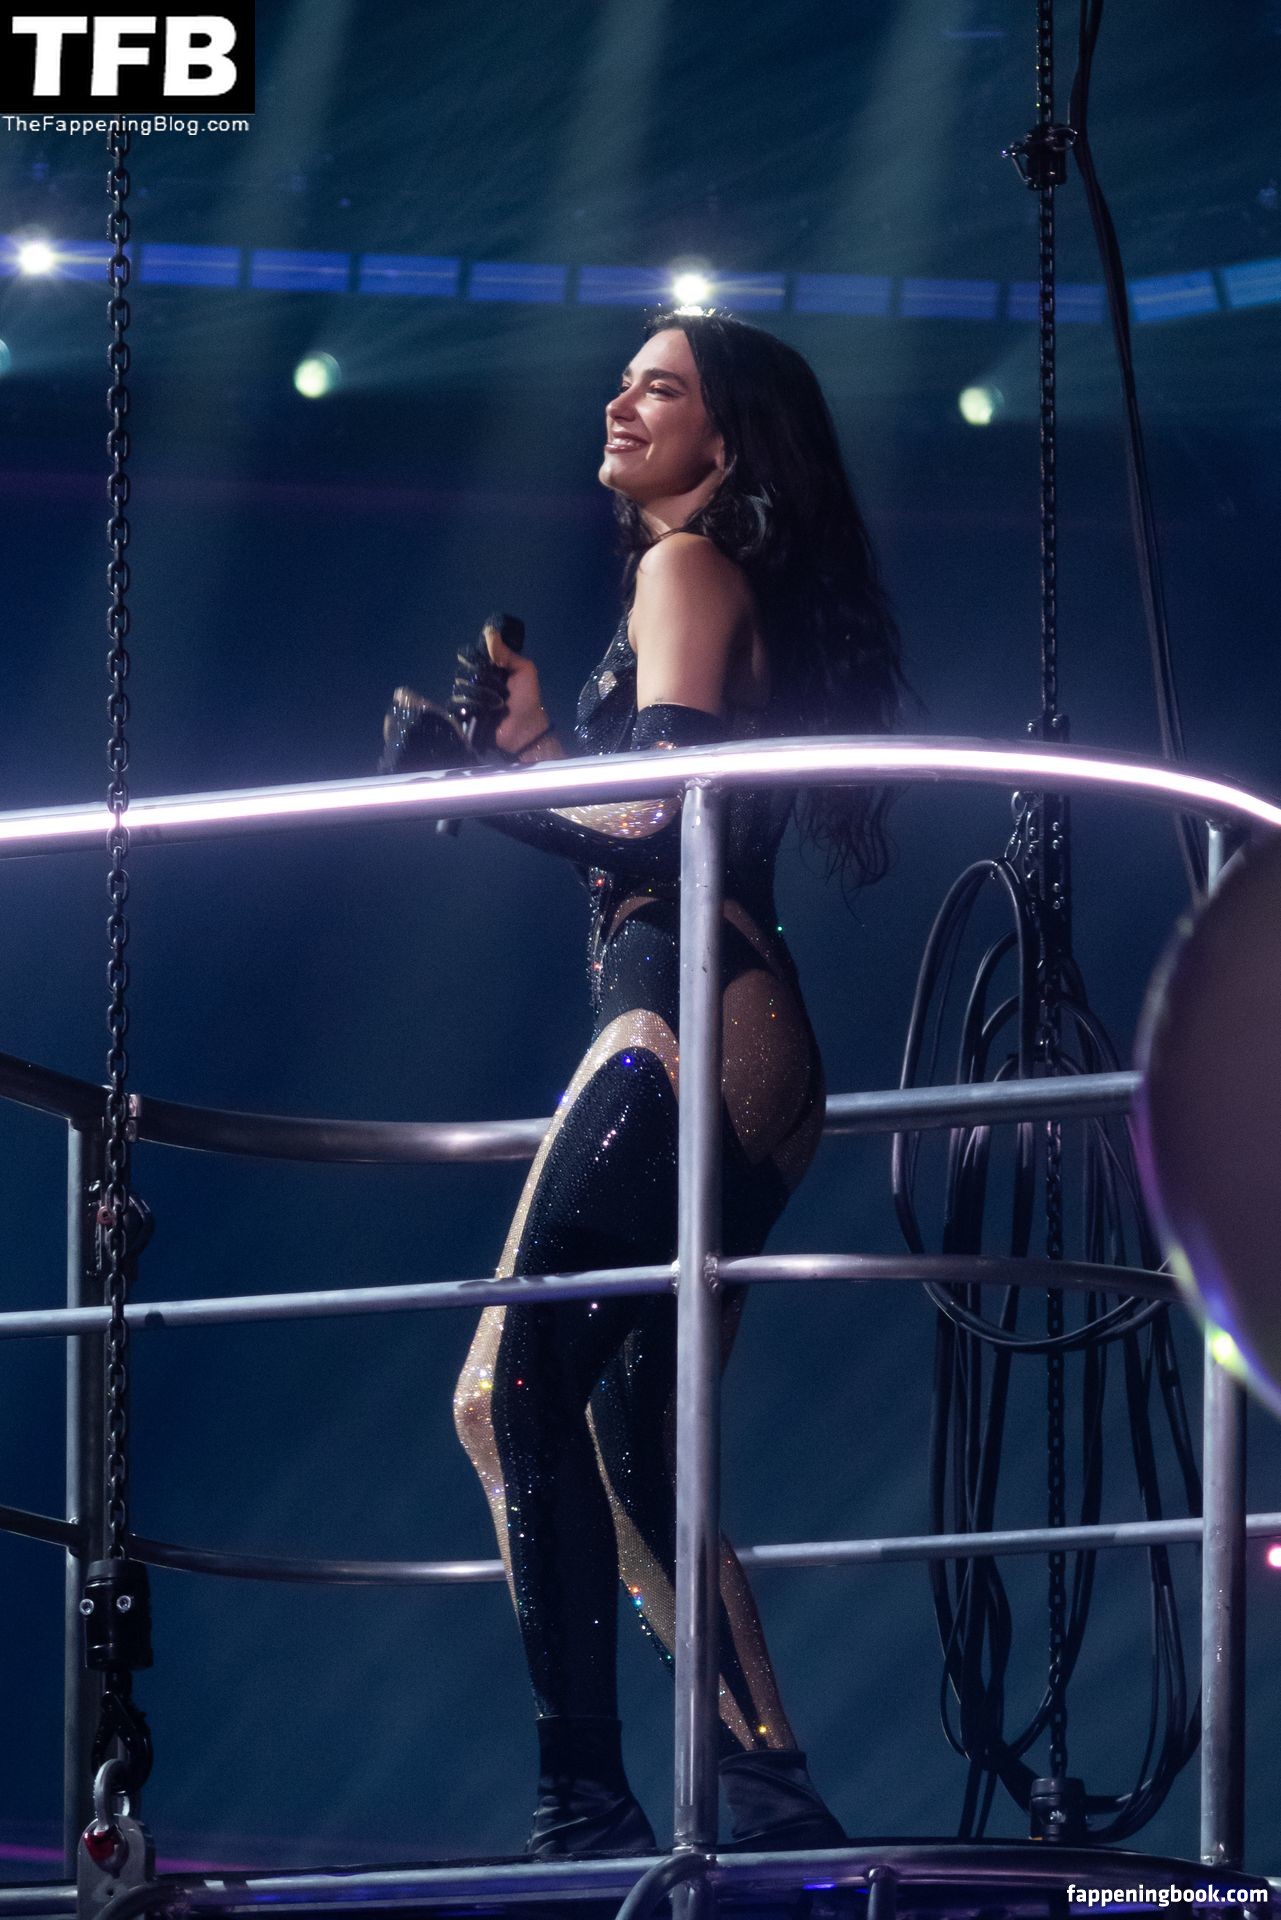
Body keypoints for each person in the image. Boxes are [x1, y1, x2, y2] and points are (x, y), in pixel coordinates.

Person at [382, 310, 905, 1859]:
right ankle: (760, 1790)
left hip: (687, 1023)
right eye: (621, 381)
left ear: (726, 441)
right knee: (630, 1445)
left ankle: (584, 1802)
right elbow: (645, 821)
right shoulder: (695, 583)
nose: (620, 401)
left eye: (659, 387)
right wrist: (533, 758)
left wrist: (474, 787)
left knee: (505, 1393)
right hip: (738, 1030)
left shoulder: (681, 567)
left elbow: (660, 833)